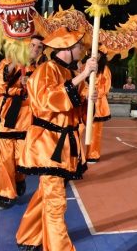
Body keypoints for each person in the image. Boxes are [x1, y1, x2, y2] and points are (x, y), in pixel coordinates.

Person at [15, 26, 97, 251]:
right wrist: (82, 76)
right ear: (67, 47)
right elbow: (46, 101)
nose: (82, 49)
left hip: (64, 145)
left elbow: (76, 112)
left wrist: (88, 100)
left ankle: (28, 236)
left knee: (47, 194)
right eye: (79, 46)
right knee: (55, 202)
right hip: (48, 144)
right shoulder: (47, 69)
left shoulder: (70, 72)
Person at [0, 35, 44, 210]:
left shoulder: (42, 69)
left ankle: (19, 179)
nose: (35, 49)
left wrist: (30, 85)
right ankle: (5, 195)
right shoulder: (8, 62)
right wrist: (17, 62)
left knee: (20, 160)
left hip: (27, 119)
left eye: (39, 47)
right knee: (2, 160)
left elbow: (44, 93)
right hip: (5, 117)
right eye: (32, 45)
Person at [86, 52, 112, 163]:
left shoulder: (105, 69)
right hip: (85, 101)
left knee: (95, 131)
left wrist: (95, 93)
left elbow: (106, 86)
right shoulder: (85, 65)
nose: (95, 55)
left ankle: (93, 154)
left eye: (98, 53)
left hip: (98, 103)